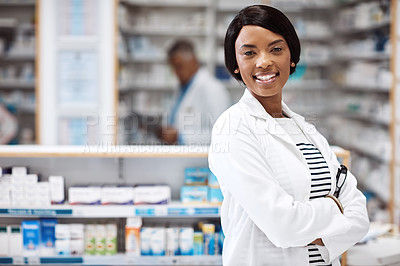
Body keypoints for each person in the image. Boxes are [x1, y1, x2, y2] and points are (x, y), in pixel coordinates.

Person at [208, 5, 369, 266]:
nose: (264, 61)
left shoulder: (308, 131)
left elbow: (360, 218)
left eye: (276, 49)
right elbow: (283, 227)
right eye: (249, 52)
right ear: (235, 64)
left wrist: (312, 227)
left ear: (292, 57)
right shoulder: (233, 128)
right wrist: (335, 209)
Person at [159, 39, 231, 145]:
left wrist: (181, 137)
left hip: (200, 159)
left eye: (179, 66)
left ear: (193, 61)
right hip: (179, 156)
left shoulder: (212, 88)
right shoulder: (182, 88)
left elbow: (222, 134)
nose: (176, 73)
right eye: (173, 68)